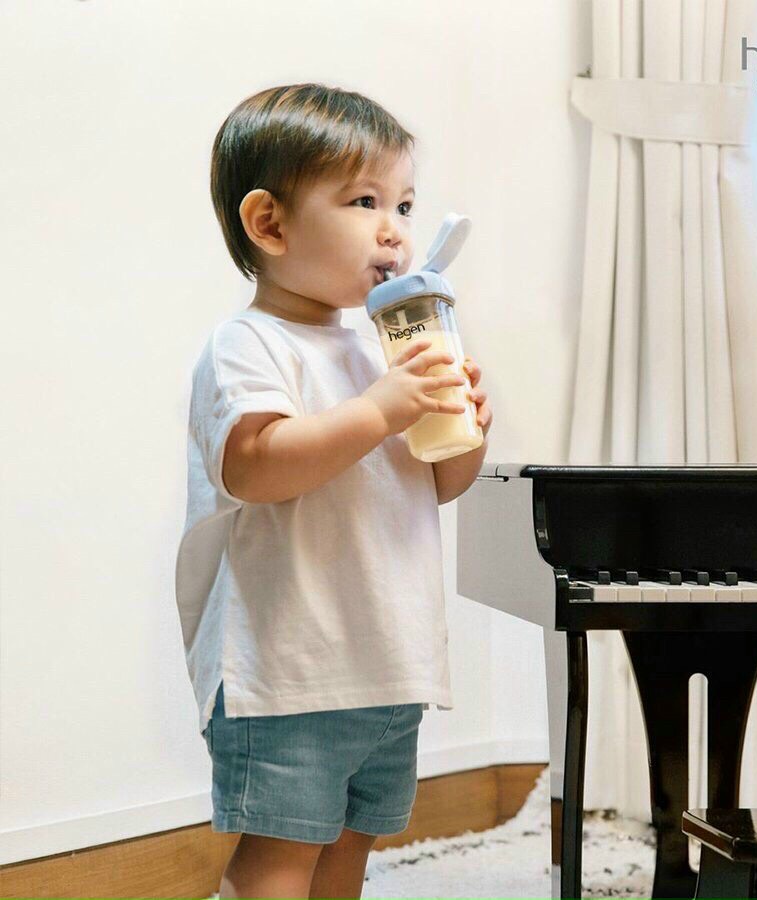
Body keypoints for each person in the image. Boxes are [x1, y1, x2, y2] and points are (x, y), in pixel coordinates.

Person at [174, 83, 493, 899]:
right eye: (364, 201)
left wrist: (461, 429)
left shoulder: (375, 353)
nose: (395, 229)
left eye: (404, 204)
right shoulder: (249, 344)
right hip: (288, 673)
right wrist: (381, 409)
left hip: (386, 660)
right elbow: (256, 464)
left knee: (350, 849)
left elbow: (436, 485)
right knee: (281, 858)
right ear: (270, 225)